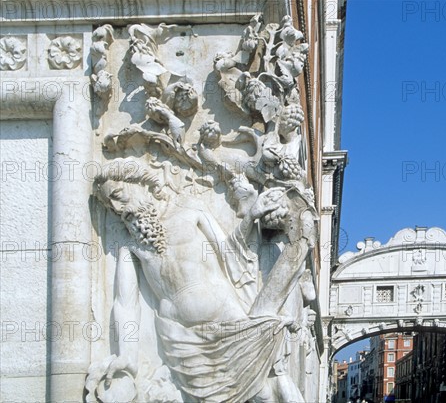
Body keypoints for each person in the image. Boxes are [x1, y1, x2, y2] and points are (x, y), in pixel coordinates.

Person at [90, 158, 304, 402]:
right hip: (181, 342)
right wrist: (126, 355)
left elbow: (229, 252)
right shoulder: (130, 248)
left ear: (140, 182)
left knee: (262, 392)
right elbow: (125, 304)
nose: (117, 208)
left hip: (227, 321)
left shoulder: (191, 210)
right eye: (109, 204)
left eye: (117, 195)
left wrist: (250, 216)